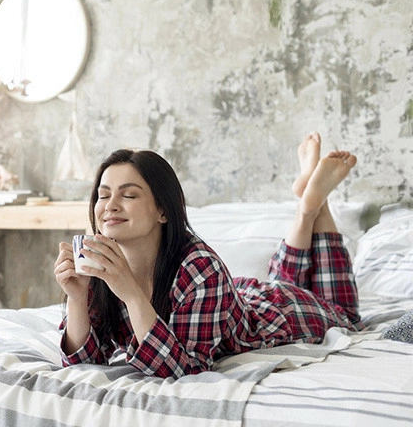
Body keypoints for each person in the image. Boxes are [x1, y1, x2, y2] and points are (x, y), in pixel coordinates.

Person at [53, 133, 364, 379]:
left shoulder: (200, 267)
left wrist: (131, 294)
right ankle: (310, 195)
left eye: (129, 195)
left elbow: (186, 369)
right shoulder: (97, 263)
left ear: (163, 210)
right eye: (103, 195)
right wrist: (78, 298)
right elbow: (84, 363)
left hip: (280, 314)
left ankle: (311, 204)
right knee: (282, 279)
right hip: (240, 296)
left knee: (345, 315)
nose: (110, 205)